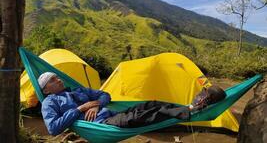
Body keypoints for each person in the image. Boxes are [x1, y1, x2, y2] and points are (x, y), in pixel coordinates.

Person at [38, 72, 226, 135]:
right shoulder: (49, 102)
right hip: (102, 126)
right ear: (46, 89)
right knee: (140, 116)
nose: (59, 80)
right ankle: (195, 107)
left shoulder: (77, 90)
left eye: (57, 77)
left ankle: (190, 106)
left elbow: (105, 95)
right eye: (53, 80)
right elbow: (53, 128)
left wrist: (95, 105)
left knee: (149, 104)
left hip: (111, 114)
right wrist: (80, 108)